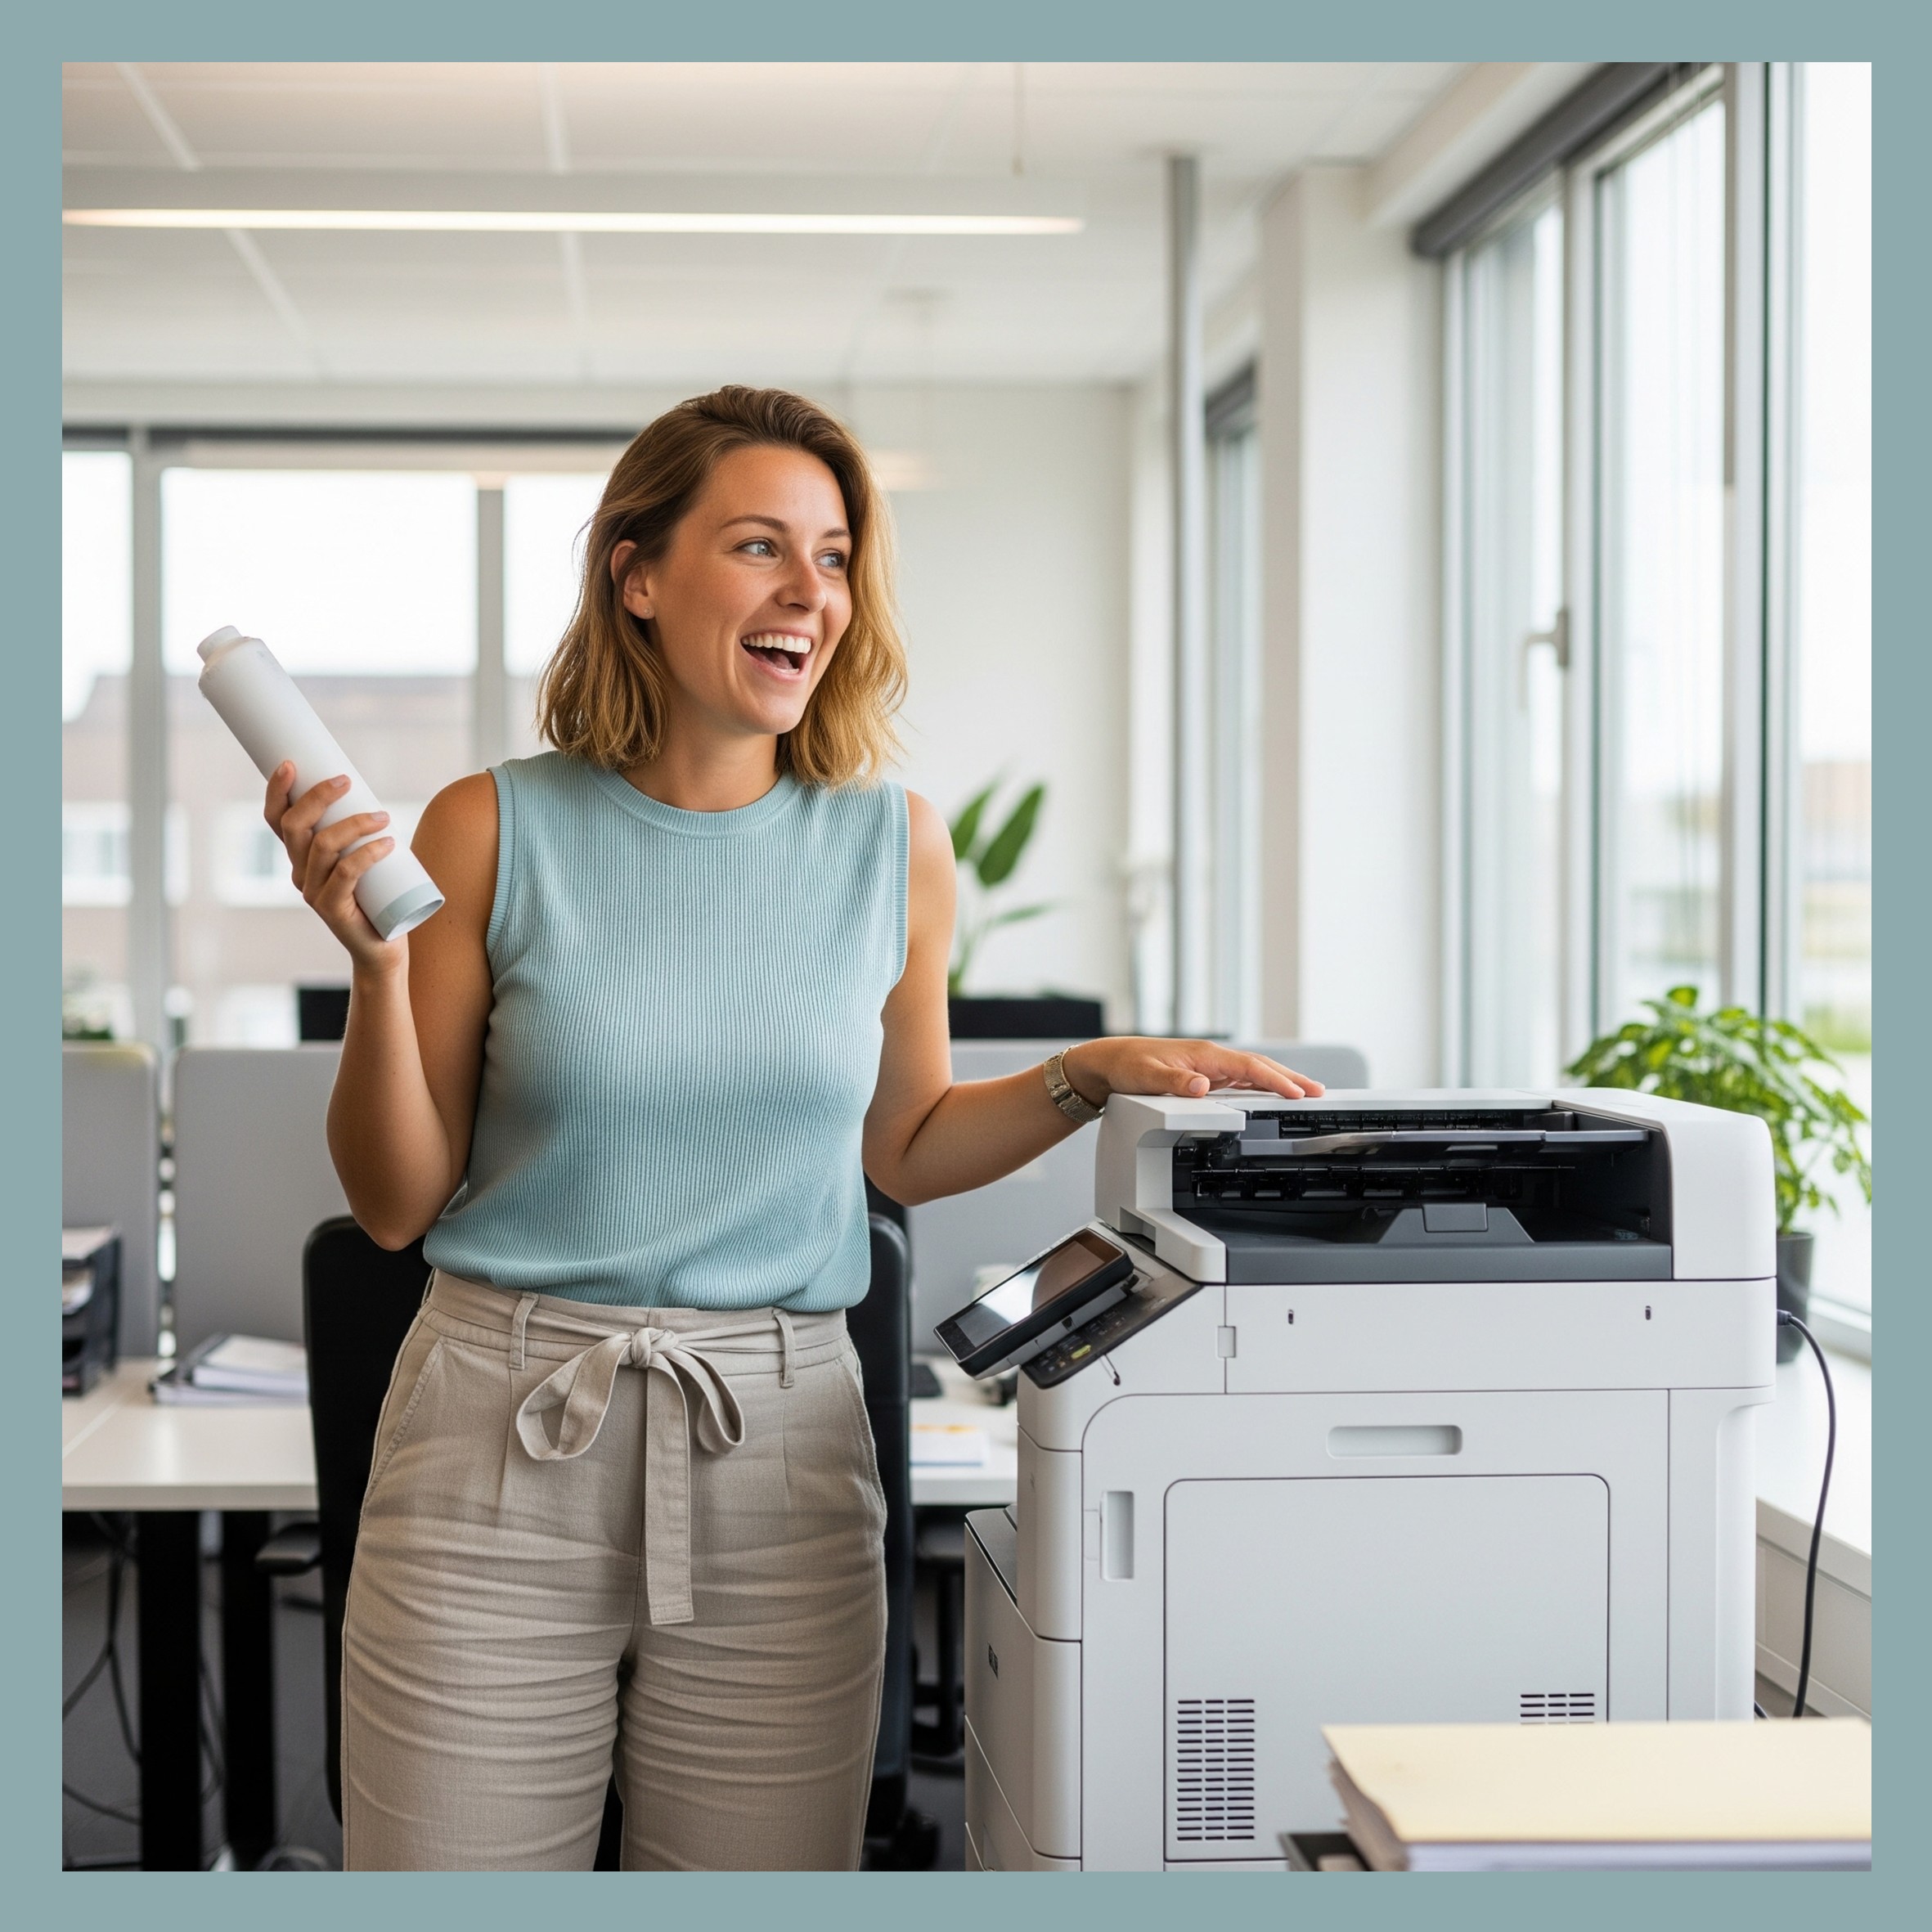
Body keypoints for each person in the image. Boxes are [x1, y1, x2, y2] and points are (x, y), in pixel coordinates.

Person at [267, 385, 1323, 1871]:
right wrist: (376, 972)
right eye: (760, 546)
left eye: (832, 557)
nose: (806, 594)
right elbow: (394, 1203)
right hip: (496, 1438)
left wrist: (1083, 1073)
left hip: (778, 1450)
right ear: (637, 574)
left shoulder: (891, 845)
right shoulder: (487, 827)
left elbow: (903, 1148)